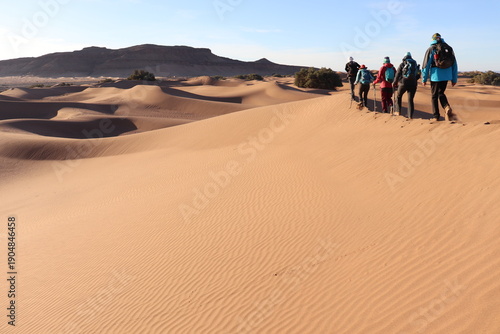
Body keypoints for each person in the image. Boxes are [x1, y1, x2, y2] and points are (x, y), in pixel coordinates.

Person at [422, 33, 458, 121]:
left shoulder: (431, 49)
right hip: (447, 75)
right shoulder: (449, 48)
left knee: (434, 96)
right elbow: (454, 64)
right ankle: (446, 107)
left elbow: (425, 65)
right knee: (441, 93)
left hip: (436, 76)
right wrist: (454, 79)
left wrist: (424, 78)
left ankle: (436, 116)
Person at [394, 52, 420, 119]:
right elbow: (418, 75)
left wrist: (395, 82)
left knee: (399, 96)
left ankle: (398, 111)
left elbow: (397, 74)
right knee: (410, 100)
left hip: (404, 83)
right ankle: (410, 116)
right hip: (413, 83)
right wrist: (414, 80)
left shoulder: (402, 64)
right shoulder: (414, 64)